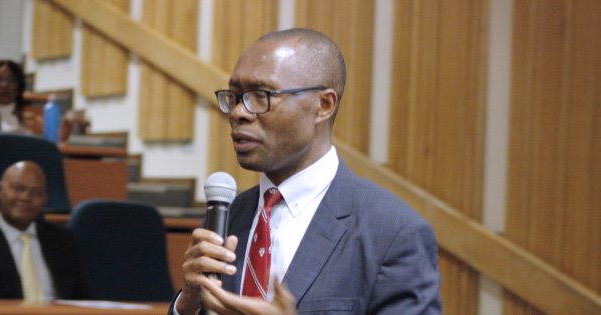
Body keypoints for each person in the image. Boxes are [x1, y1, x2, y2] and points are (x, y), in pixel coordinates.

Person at [171, 28, 441, 314]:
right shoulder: (229, 216)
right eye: (235, 96)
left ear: (323, 105)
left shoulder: (393, 232)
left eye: (260, 96)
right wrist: (186, 304)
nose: (239, 112)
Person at [0, 161, 88, 300]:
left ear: (45, 199)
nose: (25, 197)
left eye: (36, 192)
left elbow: (81, 300)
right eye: (18, 189)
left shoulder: (62, 240)